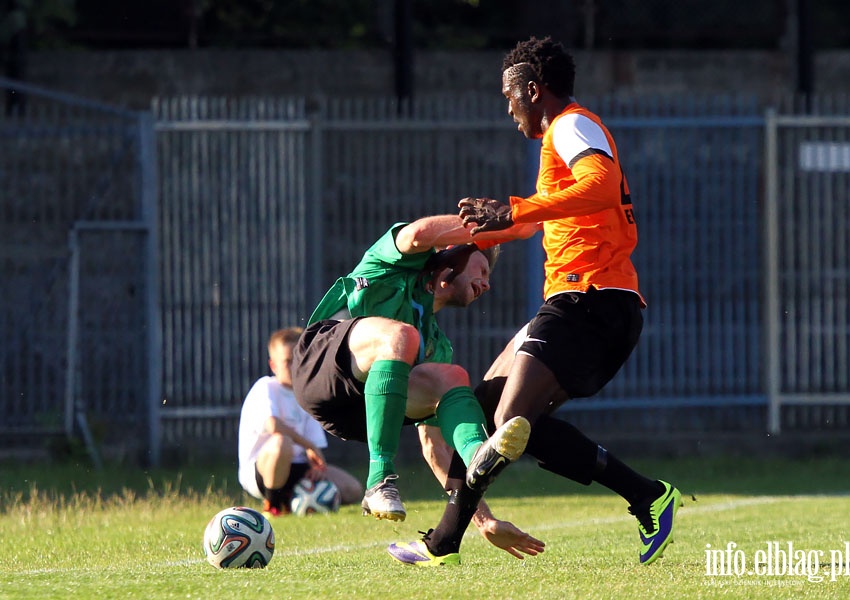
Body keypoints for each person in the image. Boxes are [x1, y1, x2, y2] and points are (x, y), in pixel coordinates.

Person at [389, 36, 681, 567]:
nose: (509, 108)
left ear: (532, 88)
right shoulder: (558, 142)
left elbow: (600, 183)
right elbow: (530, 223)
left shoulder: (571, 125)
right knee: (487, 414)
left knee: (506, 421)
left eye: (510, 96)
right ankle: (646, 495)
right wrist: (475, 235)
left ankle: (443, 544)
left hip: (590, 298)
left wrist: (513, 209)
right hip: (583, 303)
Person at [290, 213, 539, 536]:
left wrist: (483, 520)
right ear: (455, 256)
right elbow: (419, 233)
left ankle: (477, 452)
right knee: (403, 337)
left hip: (351, 414)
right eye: (482, 269)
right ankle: (379, 481)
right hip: (317, 366)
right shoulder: (393, 265)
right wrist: (499, 225)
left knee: (453, 376)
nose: (487, 283)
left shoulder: (438, 345)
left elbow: (434, 447)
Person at [238, 327, 364, 516]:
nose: (293, 366)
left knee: (353, 489)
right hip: (263, 471)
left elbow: (314, 448)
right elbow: (273, 426)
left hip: (298, 469)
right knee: (281, 442)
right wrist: (310, 446)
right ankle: (273, 505)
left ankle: (291, 500)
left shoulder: (306, 394)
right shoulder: (265, 387)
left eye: (297, 360)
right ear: (273, 365)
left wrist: (317, 467)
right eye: (287, 362)